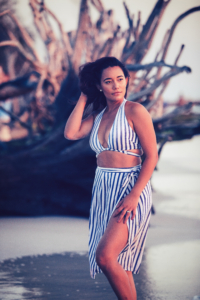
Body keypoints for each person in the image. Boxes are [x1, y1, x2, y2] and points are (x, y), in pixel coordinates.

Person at [64, 57, 158, 300]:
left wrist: (134, 195)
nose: (116, 85)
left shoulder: (135, 110)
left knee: (105, 256)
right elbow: (71, 132)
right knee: (121, 264)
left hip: (130, 187)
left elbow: (151, 156)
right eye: (108, 81)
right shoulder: (98, 115)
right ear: (99, 86)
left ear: (127, 80)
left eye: (120, 79)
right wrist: (84, 96)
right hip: (104, 188)